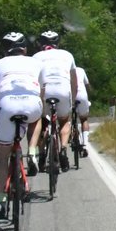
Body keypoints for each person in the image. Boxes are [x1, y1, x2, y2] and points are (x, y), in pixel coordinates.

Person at [0, 31, 43, 221]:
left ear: (5, 50)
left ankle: (2, 199)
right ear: (25, 49)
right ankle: (33, 151)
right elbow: (41, 90)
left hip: (8, 104)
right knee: (37, 119)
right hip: (32, 103)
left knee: (1, 156)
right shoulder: (37, 62)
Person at [33, 30, 79, 173]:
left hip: (44, 90)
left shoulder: (35, 57)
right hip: (63, 89)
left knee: (41, 121)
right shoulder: (67, 55)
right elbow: (75, 82)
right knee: (65, 120)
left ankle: (41, 155)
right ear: (57, 43)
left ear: (41, 44)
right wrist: (73, 100)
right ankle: (63, 148)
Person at [72, 64, 92, 158]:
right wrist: (89, 95)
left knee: (65, 119)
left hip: (70, 94)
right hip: (82, 95)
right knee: (84, 119)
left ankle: (71, 135)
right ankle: (85, 145)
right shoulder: (81, 69)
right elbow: (87, 85)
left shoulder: (63, 70)